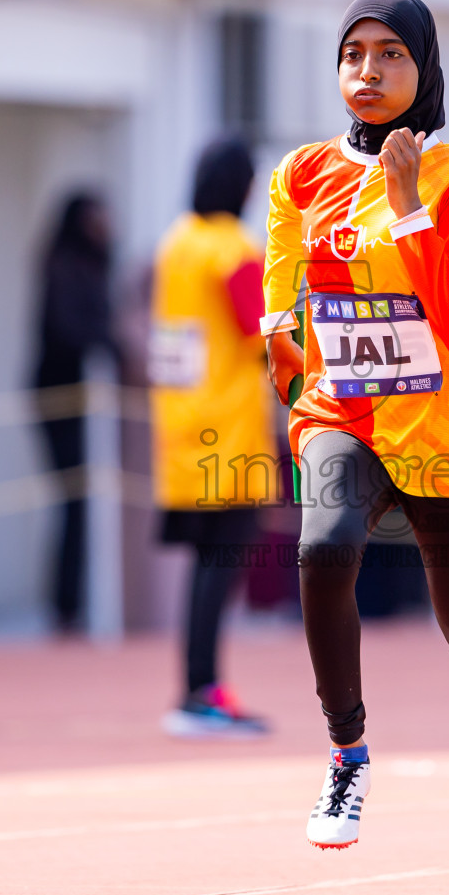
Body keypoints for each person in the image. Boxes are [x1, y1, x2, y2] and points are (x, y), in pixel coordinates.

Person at [262, 0, 449, 895]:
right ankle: (347, 749)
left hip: (444, 433)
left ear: (423, 69)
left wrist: (408, 203)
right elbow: (280, 302)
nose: (369, 72)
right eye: (353, 54)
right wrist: (289, 371)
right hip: (342, 415)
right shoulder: (298, 174)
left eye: (391, 55)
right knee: (323, 546)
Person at [150, 138, 275, 738]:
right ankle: (200, 692)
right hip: (229, 435)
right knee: (219, 569)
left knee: (205, 566)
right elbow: (265, 334)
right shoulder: (233, 248)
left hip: (180, 428)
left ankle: (197, 687)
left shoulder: (175, 244)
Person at [31, 191, 123, 634]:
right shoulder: (65, 266)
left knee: (85, 501)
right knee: (75, 499)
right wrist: (113, 344)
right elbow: (73, 330)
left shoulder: (94, 265)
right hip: (61, 395)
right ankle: (67, 605)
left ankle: (78, 601)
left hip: (86, 397)